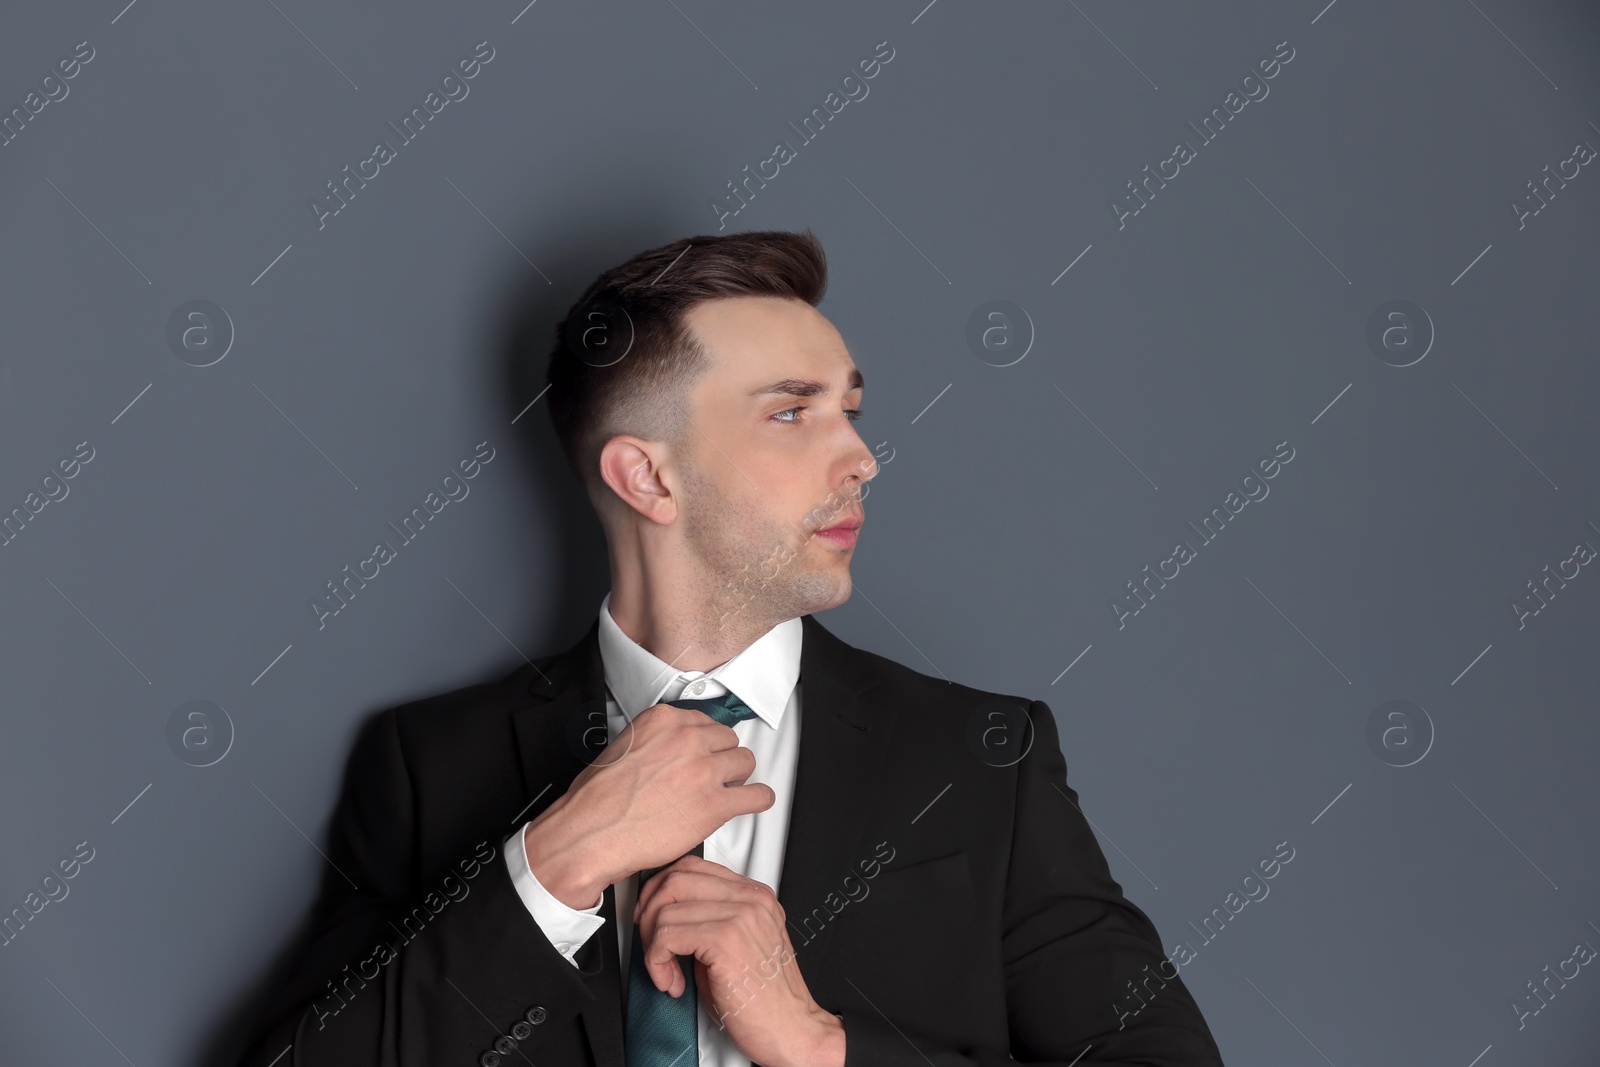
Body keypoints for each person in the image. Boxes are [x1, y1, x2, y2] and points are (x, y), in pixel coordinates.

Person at [237, 229, 1225, 1066]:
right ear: (647, 478)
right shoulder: (430, 766)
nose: (860, 455)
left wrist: (818, 1042)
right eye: (792, 411)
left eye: (851, 408)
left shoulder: (978, 760)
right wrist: (554, 863)